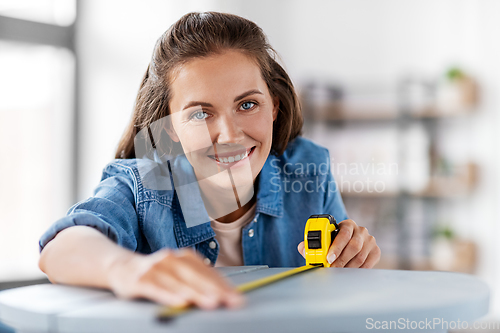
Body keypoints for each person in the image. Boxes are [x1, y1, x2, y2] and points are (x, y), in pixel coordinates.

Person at [38, 11, 380, 311]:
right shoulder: (144, 182)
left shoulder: (308, 167)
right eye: (201, 114)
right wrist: (126, 269)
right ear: (170, 129)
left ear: (274, 106)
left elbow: (338, 283)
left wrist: (353, 253)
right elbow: (61, 249)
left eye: (247, 105)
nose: (230, 135)